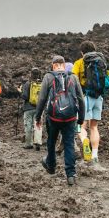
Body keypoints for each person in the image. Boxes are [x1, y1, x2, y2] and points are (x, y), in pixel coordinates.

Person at [34, 55, 85, 186]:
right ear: (63, 64)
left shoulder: (48, 77)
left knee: (51, 141)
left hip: (53, 117)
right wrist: (81, 118)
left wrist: (38, 117)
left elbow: (42, 99)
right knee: (68, 143)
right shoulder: (73, 77)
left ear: (53, 65)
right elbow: (80, 99)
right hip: (70, 118)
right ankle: (71, 174)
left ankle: (51, 166)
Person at [72, 40, 109, 164]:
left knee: (80, 125)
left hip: (85, 98)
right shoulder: (102, 62)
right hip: (99, 98)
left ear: (82, 52)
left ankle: (84, 140)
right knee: (94, 127)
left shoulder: (80, 62)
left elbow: (73, 80)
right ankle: (95, 155)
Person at [20, 67, 43, 150]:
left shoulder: (27, 84)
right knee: (38, 125)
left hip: (28, 109)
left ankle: (28, 144)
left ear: (31, 74)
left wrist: (20, 92)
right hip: (39, 108)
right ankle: (37, 142)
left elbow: (25, 96)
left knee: (28, 125)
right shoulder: (42, 84)